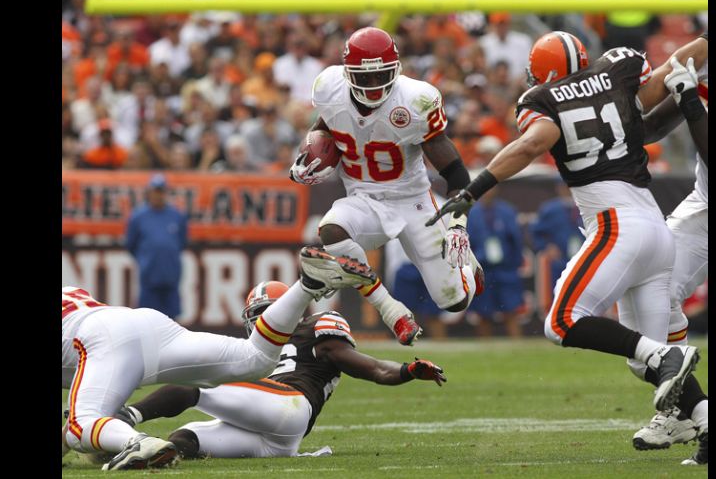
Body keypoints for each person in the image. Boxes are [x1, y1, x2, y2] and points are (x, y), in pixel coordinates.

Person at [427, 31, 708, 421]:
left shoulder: (543, 99)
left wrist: (472, 191)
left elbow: (532, 144)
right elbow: (673, 66)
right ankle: (704, 418)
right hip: (657, 230)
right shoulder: (616, 74)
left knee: (562, 321)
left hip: (618, 226)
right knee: (644, 359)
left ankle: (665, 355)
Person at [62, 246, 377, 470]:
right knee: (255, 358)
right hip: (144, 323)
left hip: (99, 335)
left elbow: (88, 386)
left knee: (80, 427)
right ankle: (306, 285)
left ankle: (135, 441)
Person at [289, 27, 484, 346]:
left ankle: (468, 267)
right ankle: (393, 311)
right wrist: (305, 158)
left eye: (381, 75)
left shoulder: (416, 100)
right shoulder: (329, 87)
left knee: (453, 301)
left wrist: (459, 226)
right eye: (365, 77)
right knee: (331, 231)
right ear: (348, 73)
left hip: (413, 200)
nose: (374, 84)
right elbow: (327, 126)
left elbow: (456, 172)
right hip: (363, 197)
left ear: (396, 70)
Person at [110, 280, 447, 460]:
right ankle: (144, 452)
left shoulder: (315, 326)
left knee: (193, 383)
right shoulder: (252, 350)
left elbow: (371, 368)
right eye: (254, 316)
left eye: (265, 313)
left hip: (290, 403)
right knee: (184, 439)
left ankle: (121, 421)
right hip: (279, 440)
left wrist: (405, 371)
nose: (259, 323)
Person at [632, 35, 708, 466]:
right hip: (706, 205)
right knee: (650, 299)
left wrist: (692, 100)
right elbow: (652, 127)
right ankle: (688, 409)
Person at [465, 186, 527, 338]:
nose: (487, 192)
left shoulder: (507, 211)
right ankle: (485, 348)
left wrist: (514, 263)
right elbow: (466, 242)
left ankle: (517, 345)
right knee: (483, 313)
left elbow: (516, 240)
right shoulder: (470, 213)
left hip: (505, 269)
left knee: (511, 310)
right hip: (482, 269)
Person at [125, 174, 188, 319]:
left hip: (171, 278)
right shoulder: (138, 217)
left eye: (161, 191)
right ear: (149, 192)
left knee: (172, 321)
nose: (158, 195)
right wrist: (145, 259)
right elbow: (131, 244)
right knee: (146, 320)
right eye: (155, 191)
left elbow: (181, 242)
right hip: (149, 279)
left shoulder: (177, 216)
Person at [529, 181, 585, 315]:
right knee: (559, 295)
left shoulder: (586, 205)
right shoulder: (550, 209)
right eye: (564, 186)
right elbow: (536, 232)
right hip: (560, 260)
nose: (567, 190)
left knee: (583, 295)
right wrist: (547, 246)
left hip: (585, 257)